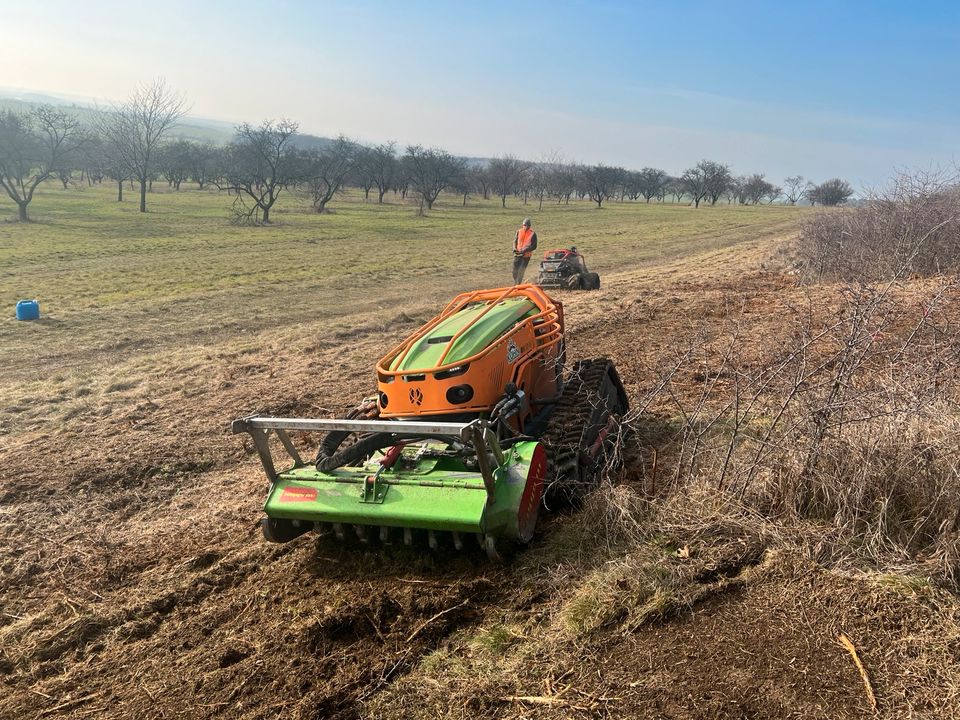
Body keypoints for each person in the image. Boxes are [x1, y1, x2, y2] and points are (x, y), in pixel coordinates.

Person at [512, 218, 538, 284]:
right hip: (517, 254)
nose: (526, 227)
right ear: (522, 225)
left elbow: (534, 246)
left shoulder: (533, 234)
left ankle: (518, 284)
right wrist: (514, 248)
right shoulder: (519, 232)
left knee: (521, 270)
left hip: (526, 256)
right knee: (514, 271)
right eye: (525, 225)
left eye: (528, 225)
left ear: (530, 226)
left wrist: (526, 250)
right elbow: (515, 241)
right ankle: (516, 281)